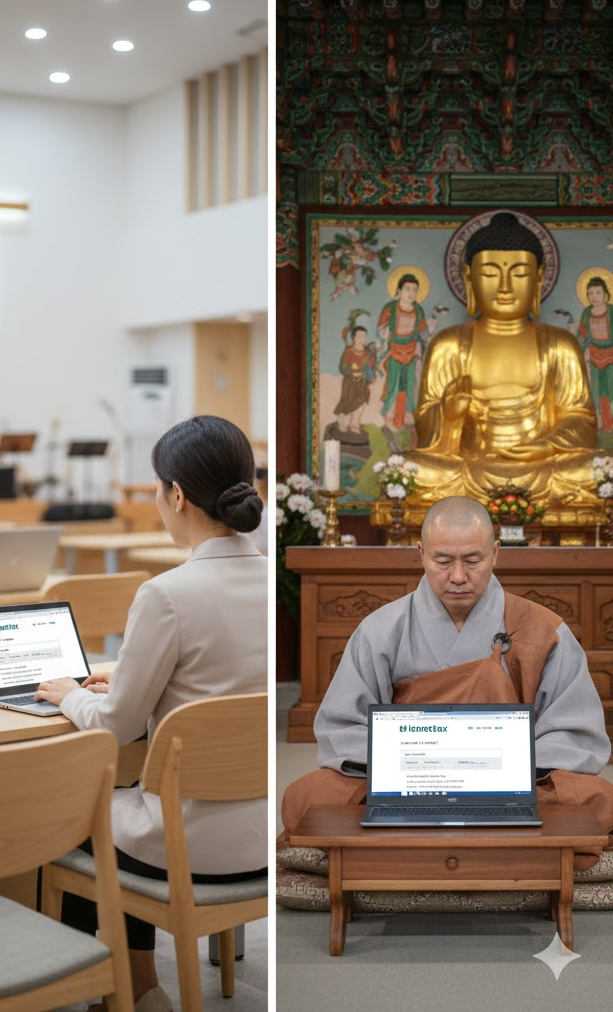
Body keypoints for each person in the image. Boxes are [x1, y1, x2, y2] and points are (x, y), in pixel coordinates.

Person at [35, 415, 267, 1012]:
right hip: (259, 834)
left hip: (190, 843)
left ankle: (129, 989)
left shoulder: (167, 593)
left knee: (75, 818)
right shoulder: (270, 577)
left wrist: (70, 694)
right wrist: (127, 671)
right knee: (121, 804)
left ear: (177, 495)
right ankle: (140, 985)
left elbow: (116, 726)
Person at [280, 495, 613, 868]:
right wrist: (413, 769)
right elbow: (343, 725)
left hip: (509, 784)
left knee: (596, 796)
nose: (458, 576)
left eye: (473, 560)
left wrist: (499, 770)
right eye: (443, 561)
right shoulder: (381, 629)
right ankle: (510, 851)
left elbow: (574, 731)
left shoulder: (542, 630)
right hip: (409, 783)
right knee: (306, 795)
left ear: (496, 553)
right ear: (421, 553)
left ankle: (395, 852)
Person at [411, 212, 597, 504]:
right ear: (468, 276)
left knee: (599, 471)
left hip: (542, 467)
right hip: (468, 469)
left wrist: (546, 446)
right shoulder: (449, 345)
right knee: (410, 471)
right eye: (490, 274)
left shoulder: (560, 345)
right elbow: (426, 430)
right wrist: (447, 416)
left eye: (520, 273)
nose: (505, 287)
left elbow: (580, 419)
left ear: (539, 277)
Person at [377, 273, 435, 429]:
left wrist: (430, 326)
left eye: (415, 290)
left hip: (411, 351)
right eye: (407, 289)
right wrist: (386, 336)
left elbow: (422, 332)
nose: (411, 293)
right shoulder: (390, 308)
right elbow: (381, 329)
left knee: (409, 383)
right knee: (393, 383)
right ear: (399, 291)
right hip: (394, 350)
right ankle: (390, 413)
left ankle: (408, 413)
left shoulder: (418, 309)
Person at [578, 275, 613, 434]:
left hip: (612, 355)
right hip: (593, 356)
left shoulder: (612, 311)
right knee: (597, 390)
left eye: (598, 293)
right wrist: (579, 350)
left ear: (605, 293)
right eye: (590, 293)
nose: (594, 297)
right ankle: (600, 422)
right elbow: (583, 335)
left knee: (611, 389)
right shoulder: (586, 313)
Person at [334, 324, 377, 433]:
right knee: (348, 402)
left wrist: (370, 373)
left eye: (364, 336)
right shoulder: (349, 351)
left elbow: (372, 367)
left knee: (361, 403)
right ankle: (344, 422)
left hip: (363, 383)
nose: (363, 339)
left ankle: (355, 423)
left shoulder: (368, 353)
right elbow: (342, 367)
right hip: (350, 383)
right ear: (354, 338)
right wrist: (353, 373)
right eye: (360, 337)